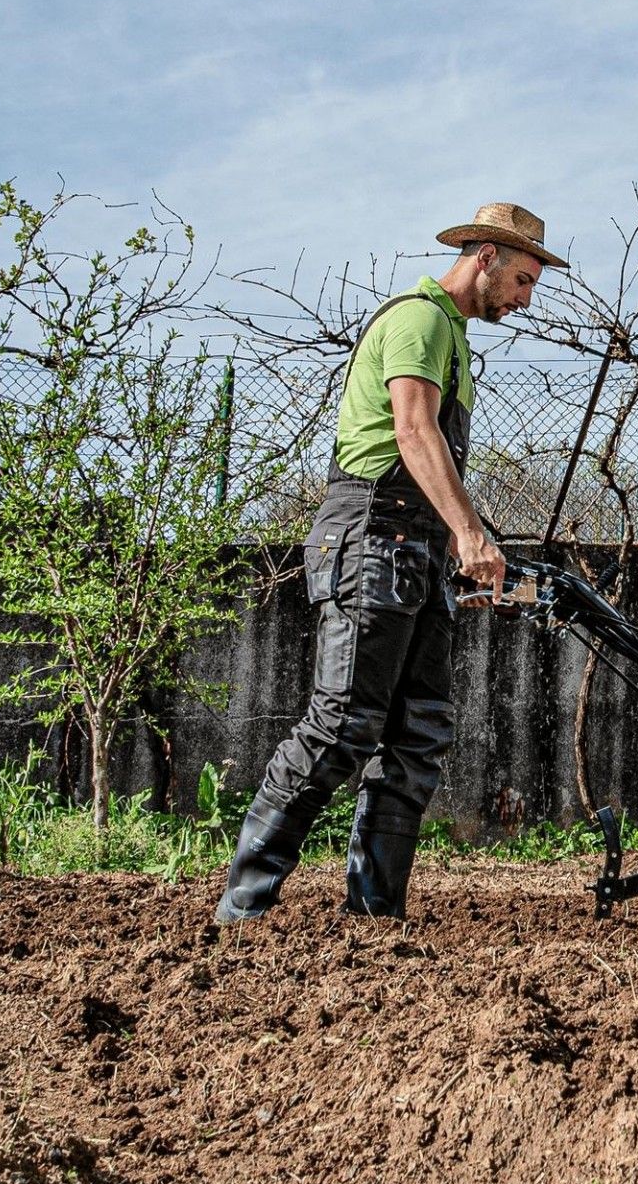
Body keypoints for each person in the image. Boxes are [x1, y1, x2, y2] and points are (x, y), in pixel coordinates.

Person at [214, 202, 567, 925]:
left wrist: (464, 547)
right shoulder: (421, 318)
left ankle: (376, 919)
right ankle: (241, 909)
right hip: (372, 537)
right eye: (524, 280)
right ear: (483, 257)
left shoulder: (457, 338)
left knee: (420, 732)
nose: (526, 299)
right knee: (344, 724)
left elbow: (433, 463)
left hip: (414, 551)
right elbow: (411, 430)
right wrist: (468, 533)